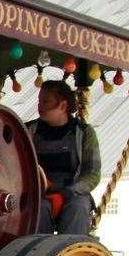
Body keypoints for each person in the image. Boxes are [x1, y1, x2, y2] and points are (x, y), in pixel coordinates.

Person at [26, 79, 100, 235]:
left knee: (78, 208)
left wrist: (66, 193)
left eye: (45, 101)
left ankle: (69, 253)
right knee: (37, 209)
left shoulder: (84, 133)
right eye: (39, 101)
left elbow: (92, 175)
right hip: (40, 193)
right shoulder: (28, 130)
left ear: (63, 106)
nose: (40, 106)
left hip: (74, 193)